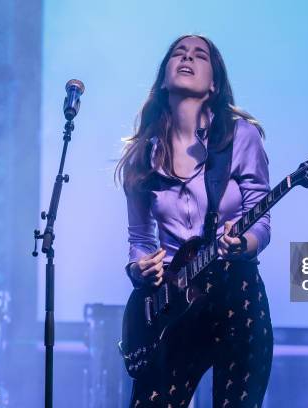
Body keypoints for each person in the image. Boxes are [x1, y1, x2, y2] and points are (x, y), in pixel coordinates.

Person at [115, 34, 274, 408]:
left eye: (199, 55)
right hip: (172, 302)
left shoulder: (240, 137)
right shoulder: (142, 155)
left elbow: (261, 221)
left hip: (236, 291)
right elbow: (139, 237)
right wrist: (139, 267)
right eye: (178, 54)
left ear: (213, 83)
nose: (187, 57)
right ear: (164, 76)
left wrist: (243, 243)